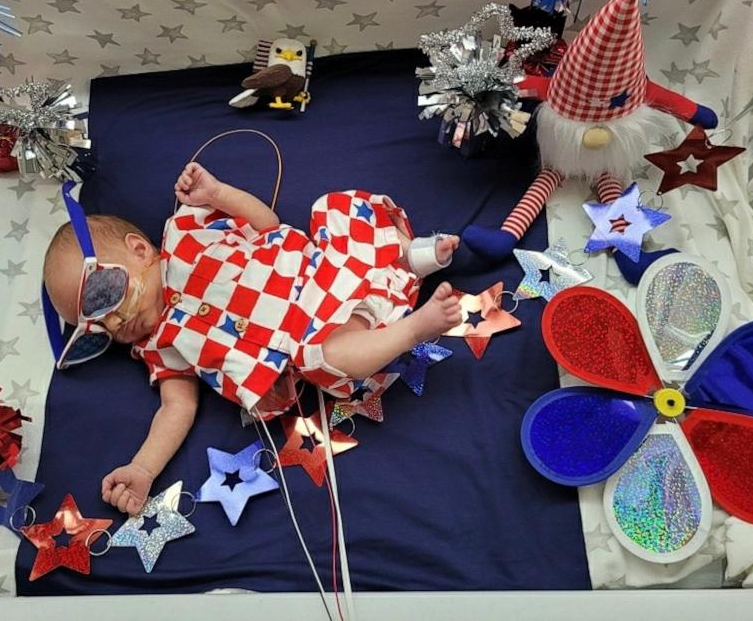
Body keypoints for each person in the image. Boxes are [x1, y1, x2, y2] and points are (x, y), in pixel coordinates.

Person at [43, 163, 461, 514]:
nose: (114, 323)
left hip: (320, 270)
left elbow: (266, 225)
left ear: (138, 250)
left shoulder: (187, 232)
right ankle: (412, 329)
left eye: (102, 297)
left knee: (336, 209)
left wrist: (218, 192)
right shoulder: (160, 348)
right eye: (94, 331)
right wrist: (143, 468)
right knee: (327, 357)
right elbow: (177, 408)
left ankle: (415, 257)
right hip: (315, 336)